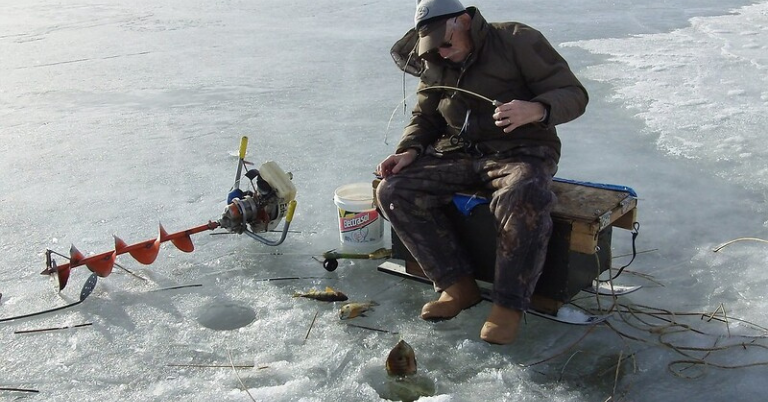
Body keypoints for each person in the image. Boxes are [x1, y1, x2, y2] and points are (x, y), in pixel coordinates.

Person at [375, 0, 588, 345]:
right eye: (433, 48)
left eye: (446, 44)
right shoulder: (435, 59)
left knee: (524, 193)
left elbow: (574, 94)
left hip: (521, 152)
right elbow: (425, 116)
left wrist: (536, 109)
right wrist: (408, 151)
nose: (441, 54)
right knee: (393, 190)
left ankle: (507, 306)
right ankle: (456, 287)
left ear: (463, 22)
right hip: (457, 152)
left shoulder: (518, 40)